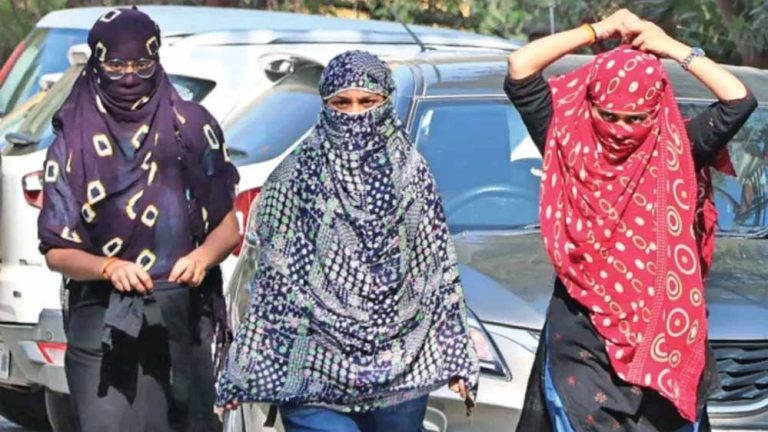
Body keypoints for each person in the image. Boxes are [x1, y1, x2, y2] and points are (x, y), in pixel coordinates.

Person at [504, 9, 757, 432]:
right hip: (583, 343)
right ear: (590, 106)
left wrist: (669, 46)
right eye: (609, 116)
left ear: (656, 110)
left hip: (663, 345)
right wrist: (597, 31)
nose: (621, 129)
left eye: (636, 119)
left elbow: (738, 100)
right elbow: (520, 67)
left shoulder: (677, 149)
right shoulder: (566, 140)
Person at [215, 50, 479, 432]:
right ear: (325, 105)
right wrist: (244, 368)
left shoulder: (411, 174)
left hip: (398, 369)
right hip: (312, 368)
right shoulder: (293, 179)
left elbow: (437, 269)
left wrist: (456, 354)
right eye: (342, 103)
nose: (355, 114)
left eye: (367, 102)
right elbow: (272, 282)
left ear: (385, 102)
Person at [38, 8, 240, 431]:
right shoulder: (72, 143)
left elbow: (228, 227)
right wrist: (109, 267)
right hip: (102, 320)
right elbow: (57, 251)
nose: (129, 77)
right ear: (97, 64)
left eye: (141, 64)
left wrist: (202, 257)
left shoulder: (192, 127)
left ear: (157, 60)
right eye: (115, 65)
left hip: (181, 315)